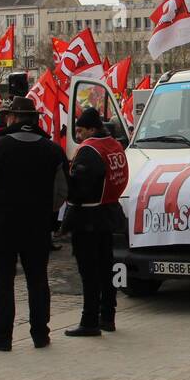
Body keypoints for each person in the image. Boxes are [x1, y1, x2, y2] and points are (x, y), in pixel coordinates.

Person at [0, 97, 67, 350]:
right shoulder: (53, 149)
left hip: (1, 224)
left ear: (12, 118)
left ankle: (1, 337)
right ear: (35, 119)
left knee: (2, 279)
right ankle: (40, 334)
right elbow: (62, 191)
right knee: (38, 278)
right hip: (37, 225)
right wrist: (48, 211)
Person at [63, 107, 126, 337]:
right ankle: (108, 316)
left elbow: (79, 188)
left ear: (91, 129)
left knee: (89, 271)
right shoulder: (115, 145)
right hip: (109, 212)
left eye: (80, 131)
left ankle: (89, 320)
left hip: (88, 217)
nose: (77, 136)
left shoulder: (90, 150)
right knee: (106, 267)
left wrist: (67, 186)